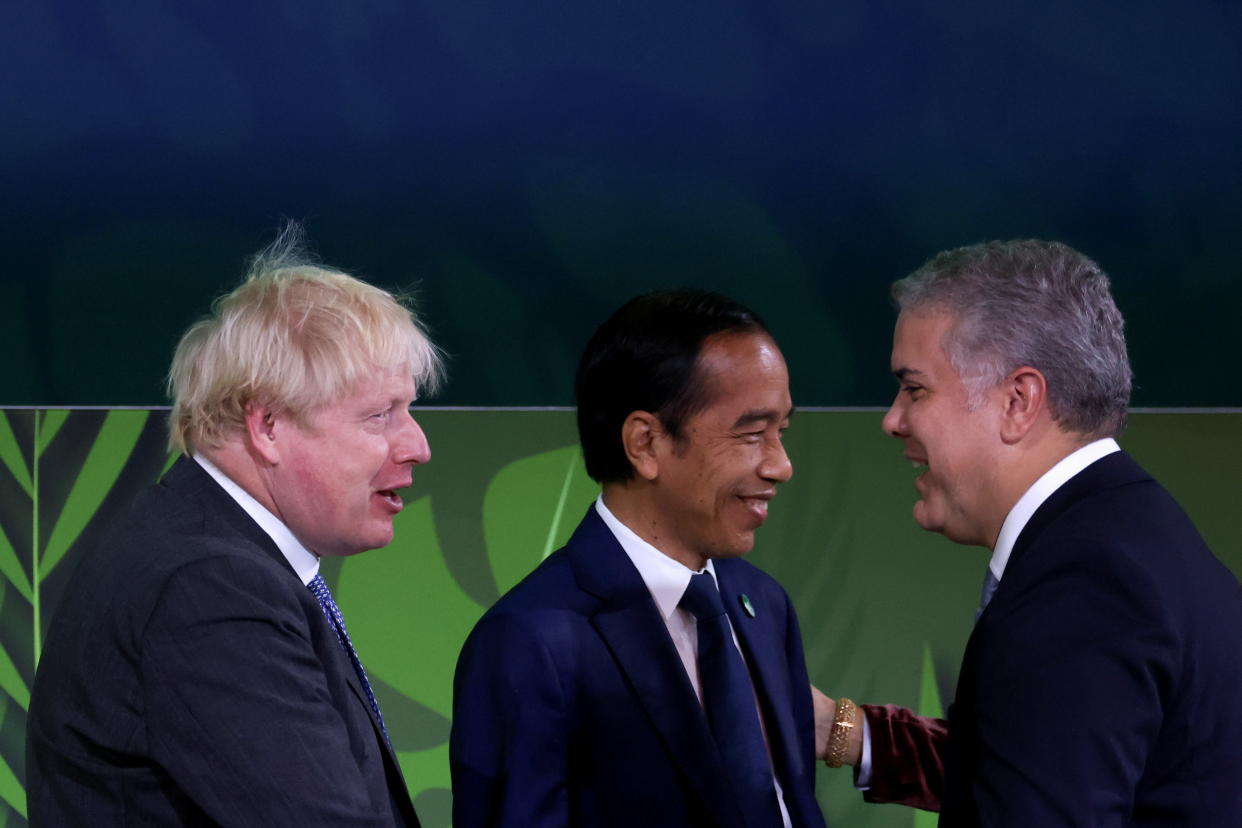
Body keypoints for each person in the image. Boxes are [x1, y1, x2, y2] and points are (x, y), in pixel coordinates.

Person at [817, 240, 1242, 826]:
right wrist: (843, 732)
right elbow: (1035, 762)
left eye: (915, 388)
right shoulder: (1130, 535)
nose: (893, 420)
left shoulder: (1088, 583)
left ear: (1019, 401)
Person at [26, 227, 439, 826]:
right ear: (267, 426)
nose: (418, 446)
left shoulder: (203, 550)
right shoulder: (209, 585)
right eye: (380, 416)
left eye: (409, 410)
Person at [450, 290, 825, 828]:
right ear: (645, 443)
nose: (781, 465)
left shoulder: (764, 604)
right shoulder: (530, 641)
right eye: (751, 434)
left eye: (781, 432)